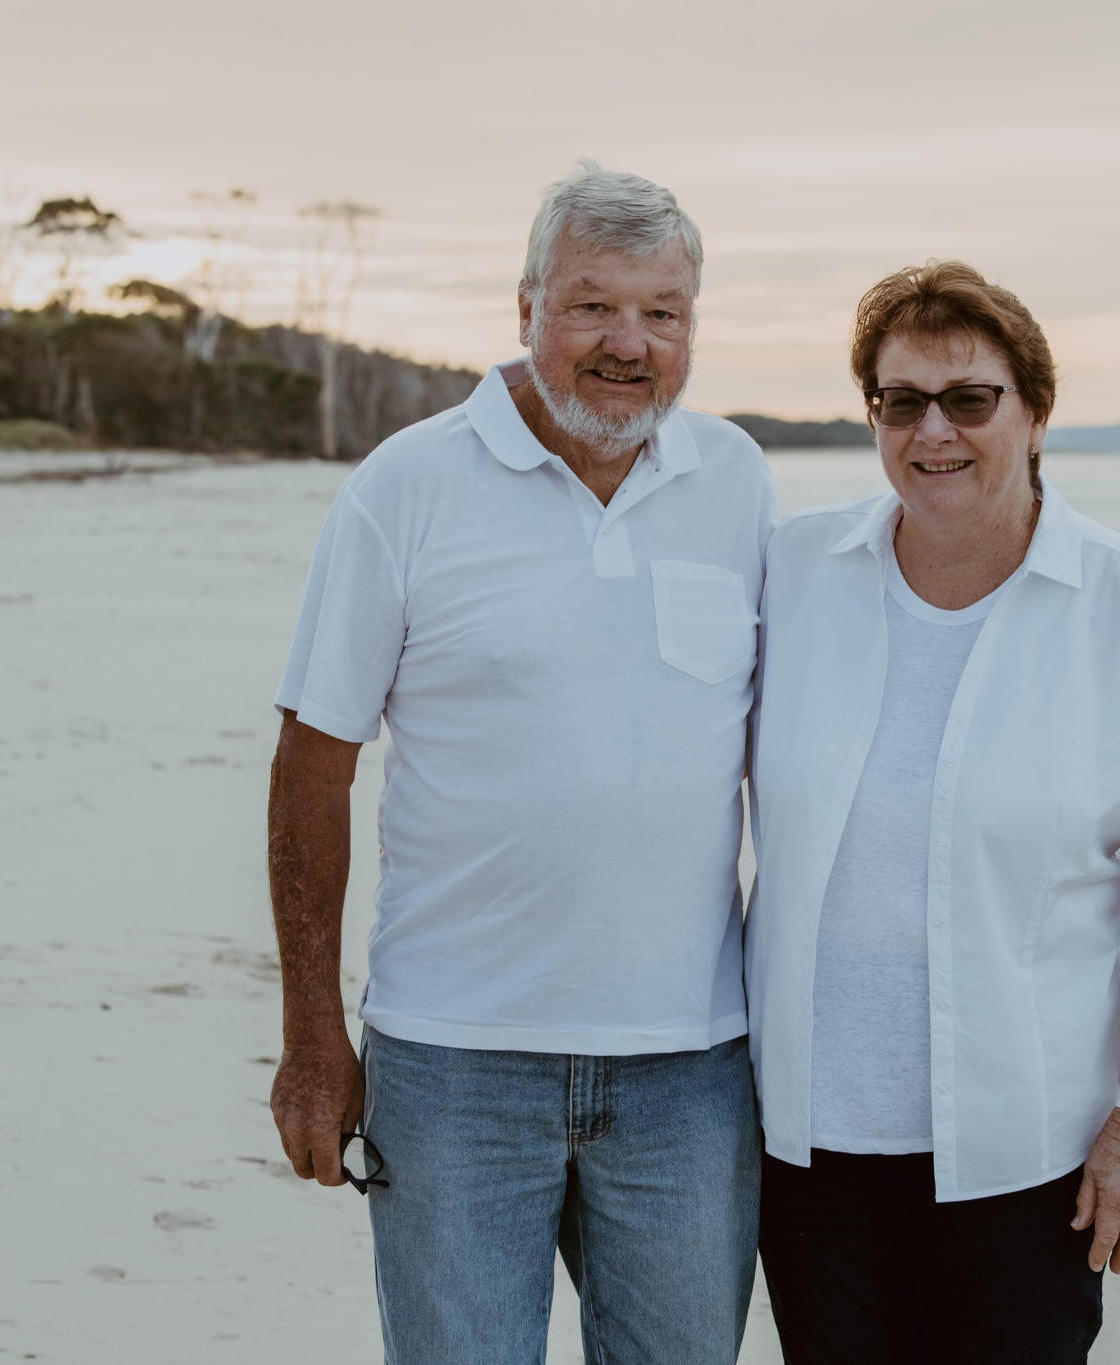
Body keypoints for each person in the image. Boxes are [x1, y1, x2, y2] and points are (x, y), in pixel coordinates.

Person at [266, 162, 774, 1364]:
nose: (628, 343)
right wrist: (311, 1038)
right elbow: (309, 771)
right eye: (592, 304)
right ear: (525, 306)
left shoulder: (737, 483)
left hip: (689, 1071)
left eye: (663, 312)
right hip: (452, 1060)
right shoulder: (407, 485)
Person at [746, 260, 1120, 1364]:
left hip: (1028, 1158)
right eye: (898, 401)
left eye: (968, 399)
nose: (934, 431)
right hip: (805, 1153)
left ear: (1033, 411)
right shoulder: (790, 573)